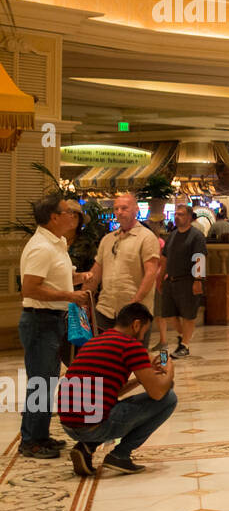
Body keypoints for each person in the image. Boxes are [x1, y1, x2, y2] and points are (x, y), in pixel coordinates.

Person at [59, 302, 177, 476]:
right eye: (144, 332)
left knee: (111, 404)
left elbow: (111, 391)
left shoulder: (95, 341)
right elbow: (158, 393)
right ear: (136, 325)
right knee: (169, 398)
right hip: (93, 425)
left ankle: (86, 447)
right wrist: (170, 369)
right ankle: (120, 455)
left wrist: (139, 379)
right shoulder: (131, 345)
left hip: (68, 424)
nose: (142, 337)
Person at [19, 195, 93, 459]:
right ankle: (30, 441)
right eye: (67, 212)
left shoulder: (56, 243)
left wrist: (77, 278)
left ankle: (40, 435)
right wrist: (70, 296)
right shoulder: (42, 247)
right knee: (40, 382)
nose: (72, 216)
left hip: (51, 321)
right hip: (40, 320)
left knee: (47, 381)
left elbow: (52, 278)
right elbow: (30, 288)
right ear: (53, 217)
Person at [86, 192, 161, 341]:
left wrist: (135, 302)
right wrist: (84, 297)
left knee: (133, 360)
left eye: (124, 208)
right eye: (116, 209)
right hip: (105, 310)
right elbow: (96, 271)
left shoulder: (147, 237)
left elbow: (151, 273)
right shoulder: (107, 240)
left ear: (136, 210)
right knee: (106, 358)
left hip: (134, 313)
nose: (119, 212)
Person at [157, 204, 206, 357]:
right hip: (170, 280)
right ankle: (183, 336)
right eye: (176, 214)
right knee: (169, 314)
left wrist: (198, 280)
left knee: (188, 314)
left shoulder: (196, 236)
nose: (177, 217)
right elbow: (164, 258)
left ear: (190, 217)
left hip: (188, 280)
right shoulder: (172, 235)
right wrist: (159, 277)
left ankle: (185, 345)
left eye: (181, 214)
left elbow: (199, 259)